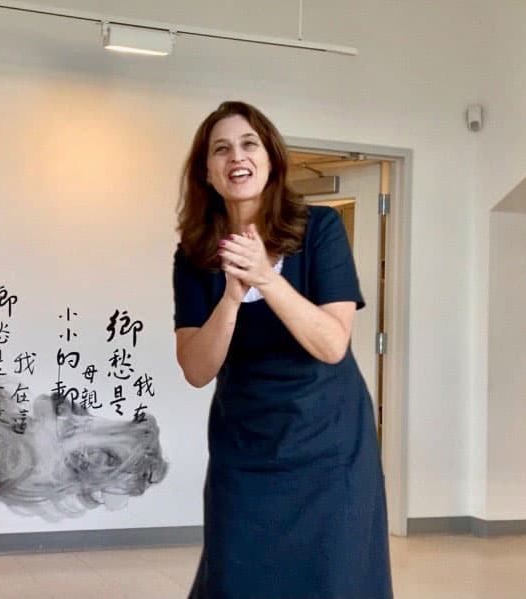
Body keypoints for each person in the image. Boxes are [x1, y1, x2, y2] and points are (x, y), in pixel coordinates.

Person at [172, 101, 392, 599]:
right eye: (221, 149)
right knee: (237, 578)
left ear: (270, 159)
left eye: (249, 144)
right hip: (245, 444)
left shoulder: (319, 230)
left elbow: (332, 344)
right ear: (207, 171)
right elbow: (196, 368)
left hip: (329, 443)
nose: (236, 157)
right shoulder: (195, 254)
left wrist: (265, 278)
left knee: (332, 578)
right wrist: (231, 294)